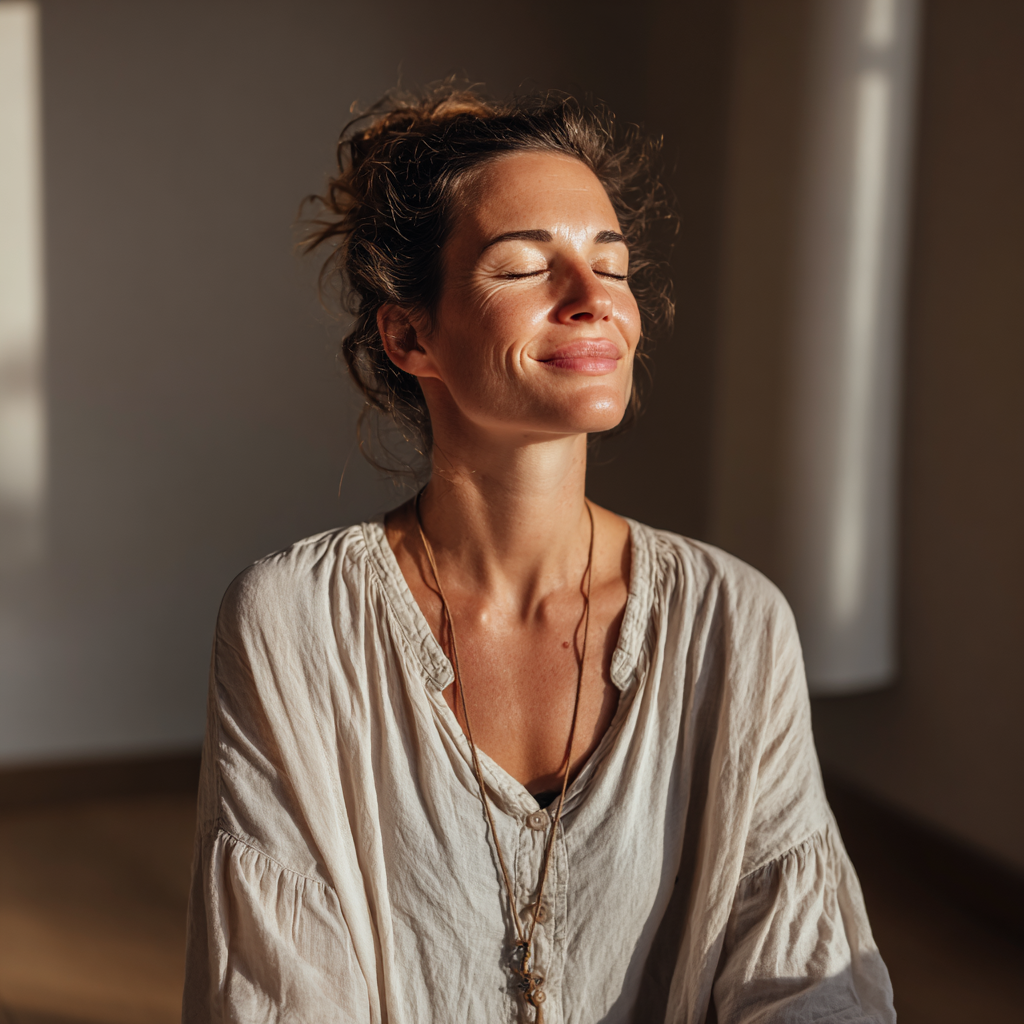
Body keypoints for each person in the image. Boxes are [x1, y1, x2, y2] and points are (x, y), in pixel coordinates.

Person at [182, 86, 895, 1023]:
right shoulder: (293, 622)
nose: (595, 301)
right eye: (524, 267)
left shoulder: (733, 619)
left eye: (613, 265)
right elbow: (280, 996)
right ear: (410, 334)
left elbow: (806, 980)